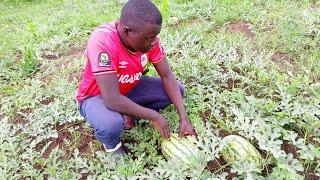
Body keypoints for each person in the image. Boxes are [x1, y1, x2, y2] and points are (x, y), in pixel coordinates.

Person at [76, 0, 196, 155]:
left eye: (156, 36)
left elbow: (167, 76)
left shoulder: (147, 38)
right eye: (150, 38)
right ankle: (112, 146)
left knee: (177, 90)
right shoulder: (103, 41)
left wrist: (184, 118)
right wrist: (153, 116)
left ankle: (128, 112)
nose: (154, 42)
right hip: (96, 96)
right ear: (126, 32)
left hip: (129, 88)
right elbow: (111, 98)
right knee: (110, 123)